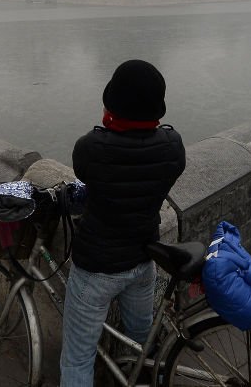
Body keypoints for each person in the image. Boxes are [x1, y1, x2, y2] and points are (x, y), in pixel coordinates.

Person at [59, 59, 186, 386]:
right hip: (144, 262)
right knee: (143, 343)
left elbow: (84, 175)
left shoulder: (91, 148)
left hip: (95, 270)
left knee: (77, 358)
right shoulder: (173, 148)